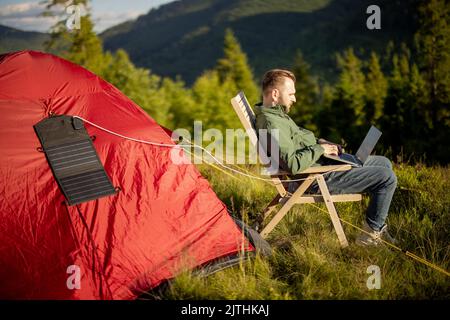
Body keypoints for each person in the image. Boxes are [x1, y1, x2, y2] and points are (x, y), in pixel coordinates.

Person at [254, 69, 398, 246]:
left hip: (320, 165)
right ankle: (370, 235)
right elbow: (292, 164)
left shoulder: (276, 115)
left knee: (384, 162)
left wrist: (321, 144)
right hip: (316, 177)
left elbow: (299, 140)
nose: (294, 99)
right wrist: (320, 149)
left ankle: (376, 224)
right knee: (387, 178)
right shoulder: (271, 123)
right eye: (291, 94)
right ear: (275, 94)